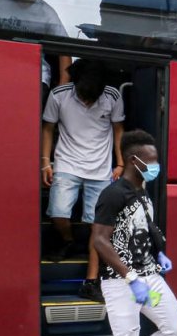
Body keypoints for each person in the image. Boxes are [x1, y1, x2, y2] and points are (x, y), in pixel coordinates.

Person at [93, 130, 177, 336]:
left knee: (176, 329)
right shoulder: (113, 194)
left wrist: (159, 253)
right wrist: (131, 278)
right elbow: (99, 240)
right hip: (123, 285)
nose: (156, 167)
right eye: (152, 161)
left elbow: (143, 229)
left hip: (148, 282)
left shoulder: (141, 191)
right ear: (135, 161)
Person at [42, 58, 125, 302]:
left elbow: (119, 130)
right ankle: (68, 240)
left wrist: (119, 163)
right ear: (75, 83)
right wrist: (44, 162)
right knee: (58, 213)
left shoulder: (112, 96)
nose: (89, 101)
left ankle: (91, 282)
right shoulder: (59, 95)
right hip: (67, 163)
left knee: (97, 227)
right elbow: (48, 128)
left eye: (93, 97)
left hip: (100, 169)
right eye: (85, 96)